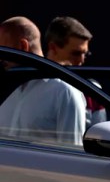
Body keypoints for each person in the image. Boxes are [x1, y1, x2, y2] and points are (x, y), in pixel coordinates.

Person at [0, 17, 86, 146]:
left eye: (4, 51)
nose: (1, 58)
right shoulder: (5, 87)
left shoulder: (64, 91)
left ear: (23, 46)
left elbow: (74, 156)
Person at [44, 16, 105, 127]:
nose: (82, 60)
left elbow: (100, 136)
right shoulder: (29, 85)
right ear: (53, 47)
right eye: (76, 53)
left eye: (85, 54)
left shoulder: (92, 90)